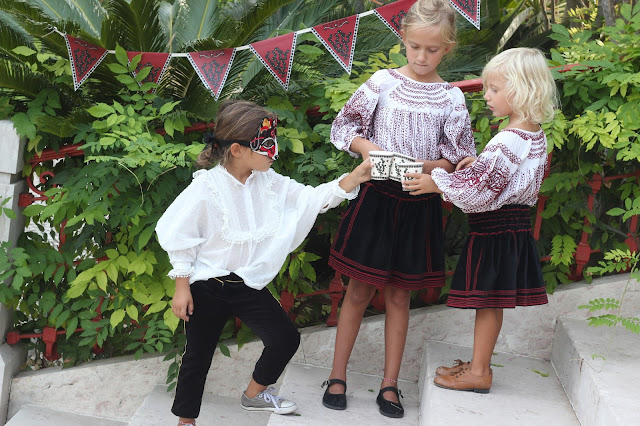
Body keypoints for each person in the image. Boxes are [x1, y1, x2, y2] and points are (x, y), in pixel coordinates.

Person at [156, 100, 372, 426]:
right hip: (207, 286)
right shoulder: (205, 188)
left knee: (285, 338)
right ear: (237, 150)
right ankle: (186, 421)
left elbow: (311, 199)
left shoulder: (271, 183)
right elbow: (180, 235)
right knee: (197, 356)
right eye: (266, 144)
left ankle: (254, 394)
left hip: (247, 283)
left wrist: (354, 177)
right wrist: (181, 287)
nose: (275, 151)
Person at [321, 0, 476, 418]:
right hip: (376, 197)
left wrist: (429, 168)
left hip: (418, 203)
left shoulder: (451, 99)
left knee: (399, 295)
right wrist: (371, 149)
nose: (422, 57)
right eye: (415, 47)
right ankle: (337, 375)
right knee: (357, 290)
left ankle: (390, 384)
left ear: (447, 49)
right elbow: (344, 127)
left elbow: (457, 157)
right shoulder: (382, 83)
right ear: (403, 40)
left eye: (432, 50)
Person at [403, 47, 558, 393]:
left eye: (495, 89)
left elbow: (480, 191)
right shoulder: (532, 133)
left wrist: (436, 182)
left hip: (495, 230)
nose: (486, 95)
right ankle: (478, 364)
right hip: (511, 226)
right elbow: (501, 177)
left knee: (487, 302)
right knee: (492, 302)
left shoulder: (507, 140)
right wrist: (478, 165)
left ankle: (479, 371)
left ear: (521, 90)